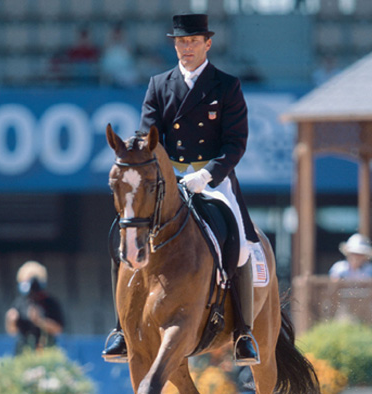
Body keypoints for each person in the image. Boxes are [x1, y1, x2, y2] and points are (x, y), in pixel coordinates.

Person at [103, 14, 260, 365]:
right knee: (122, 233)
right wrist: (146, 159)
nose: (186, 48)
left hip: (212, 178)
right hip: (167, 178)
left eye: (193, 42)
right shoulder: (159, 84)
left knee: (240, 245)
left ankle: (244, 332)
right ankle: (120, 330)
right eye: (181, 42)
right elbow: (148, 136)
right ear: (174, 45)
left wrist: (206, 175)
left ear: (207, 44)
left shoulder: (226, 85)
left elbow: (236, 143)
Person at [5, 261, 64, 355]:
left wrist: (40, 321)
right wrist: (11, 321)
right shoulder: (19, 302)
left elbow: (58, 329)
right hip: (24, 351)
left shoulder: (50, 303)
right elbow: (12, 331)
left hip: (46, 350)